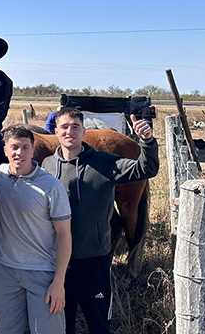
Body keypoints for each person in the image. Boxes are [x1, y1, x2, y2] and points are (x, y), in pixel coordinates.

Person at [41, 107, 159, 334]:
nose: (69, 132)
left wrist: (147, 142)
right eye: (64, 127)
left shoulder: (105, 162)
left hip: (93, 259)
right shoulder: (47, 165)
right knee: (61, 325)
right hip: (57, 263)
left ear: (84, 131)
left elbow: (147, 168)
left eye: (75, 127)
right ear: (55, 131)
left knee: (98, 324)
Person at [0, 125, 72, 334]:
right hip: (4, 270)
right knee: (4, 330)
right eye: (14, 147)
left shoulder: (51, 186)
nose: (20, 153)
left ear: (33, 151)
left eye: (26, 147)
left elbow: (64, 234)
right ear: (5, 150)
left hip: (42, 272)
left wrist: (59, 282)